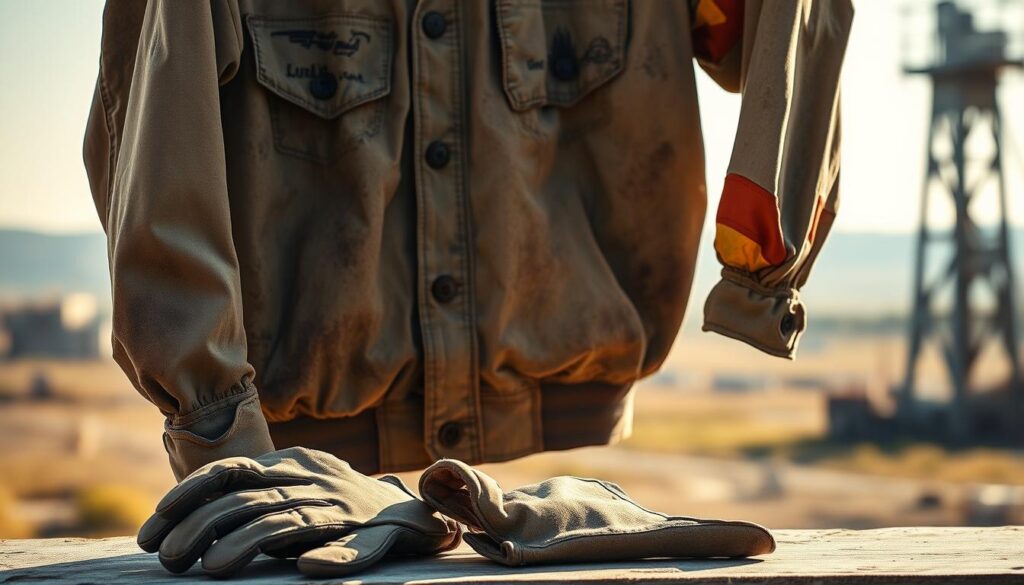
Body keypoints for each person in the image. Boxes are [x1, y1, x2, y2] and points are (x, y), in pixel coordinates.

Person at [84, 0, 853, 483]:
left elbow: (789, 20)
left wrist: (764, 270)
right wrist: (223, 441)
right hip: (304, 471)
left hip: (567, 458)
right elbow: (154, 131)